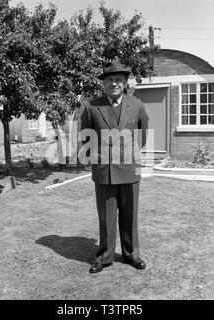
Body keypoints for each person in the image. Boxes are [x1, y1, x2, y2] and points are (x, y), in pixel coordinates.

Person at [80, 61, 149, 273]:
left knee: (130, 215)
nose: (114, 83)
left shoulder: (136, 105)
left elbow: (143, 137)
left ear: (125, 82)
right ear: (104, 83)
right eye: (110, 79)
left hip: (129, 170)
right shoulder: (92, 106)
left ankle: (131, 254)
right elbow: (86, 139)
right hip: (105, 173)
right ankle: (105, 255)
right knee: (106, 217)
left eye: (119, 79)